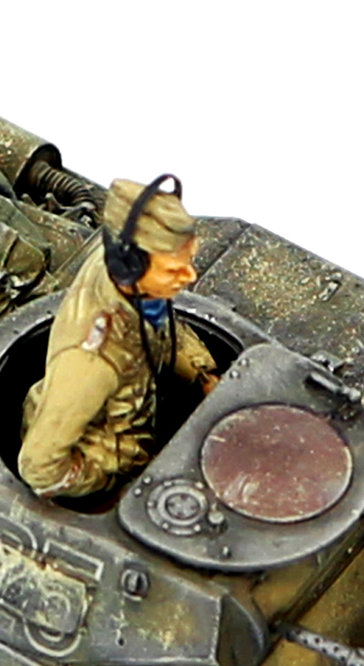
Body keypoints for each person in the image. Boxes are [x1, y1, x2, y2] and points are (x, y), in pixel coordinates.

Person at [18, 176, 217, 498]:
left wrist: (200, 372)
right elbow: (39, 468)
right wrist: (107, 488)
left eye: (189, 260)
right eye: (172, 270)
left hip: (139, 414)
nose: (190, 276)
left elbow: (159, 323)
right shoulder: (92, 362)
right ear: (129, 267)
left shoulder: (130, 276)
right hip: (108, 459)